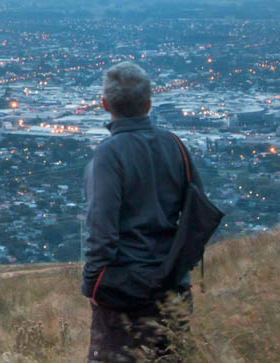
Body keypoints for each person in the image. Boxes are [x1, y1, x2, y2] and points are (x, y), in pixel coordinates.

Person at [82, 61, 204, 362]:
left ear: (104, 104)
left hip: (124, 294)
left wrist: (93, 285)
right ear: (149, 104)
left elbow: (101, 228)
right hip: (173, 288)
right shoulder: (175, 145)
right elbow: (197, 213)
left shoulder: (109, 155)